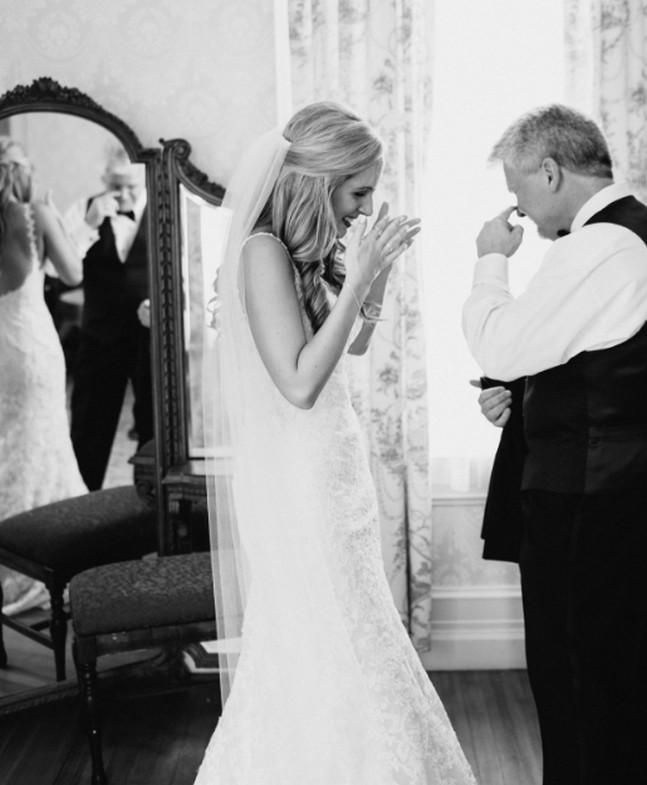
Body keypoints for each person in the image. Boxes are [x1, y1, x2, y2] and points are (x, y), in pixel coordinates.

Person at [195, 102, 476, 784]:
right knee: (322, 628)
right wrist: (359, 279)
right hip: (300, 477)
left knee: (354, 622)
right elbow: (299, 383)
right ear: (317, 182)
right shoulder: (262, 251)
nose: (366, 208)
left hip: (333, 464)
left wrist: (374, 277)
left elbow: (350, 345)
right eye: (358, 192)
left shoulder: (302, 252)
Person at [462, 104, 647, 785]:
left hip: (592, 497)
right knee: (613, 681)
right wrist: (524, 395)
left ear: (551, 171)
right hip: (623, 484)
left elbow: (499, 341)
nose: (519, 210)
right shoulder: (637, 233)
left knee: (577, 680)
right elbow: (592, 360)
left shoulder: (599, 245)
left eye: (519, 190)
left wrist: (490, 262)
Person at [0, 137, 87, 616]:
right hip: (30, 350)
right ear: (19, 172)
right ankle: (46, 557)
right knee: (44, 442)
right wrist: (58, 220)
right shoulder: (34, 214)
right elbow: (72, 273)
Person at [66, 146, 152, 490]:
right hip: (99, 338)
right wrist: (88, 225)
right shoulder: (83, 210)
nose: (125, 194)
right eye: (116, 186)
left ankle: (149, 505)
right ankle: (83, 504)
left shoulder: (165, 208)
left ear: (144, 177)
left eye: (131, 185)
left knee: (154, 428)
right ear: (104, 180)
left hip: (151, 340)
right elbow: (60, 271)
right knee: (89, 428)